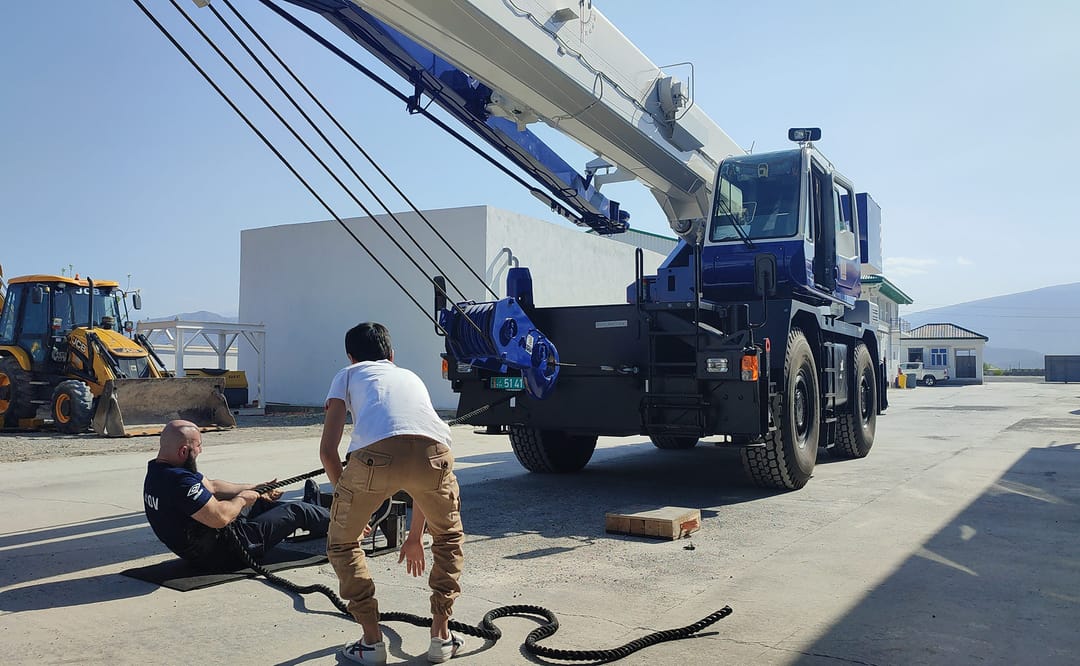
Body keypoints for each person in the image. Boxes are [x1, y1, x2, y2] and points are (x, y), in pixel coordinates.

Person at [320, 322, 464, 665]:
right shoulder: (411, 377)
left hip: (373, 458)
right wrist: (414, 538)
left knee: (342, 544)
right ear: (392, 355)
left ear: (351, 357)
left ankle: (371, 642)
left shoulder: (347, 374)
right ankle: (441, 636)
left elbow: (328, 452)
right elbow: (417, 479)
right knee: (448, 539)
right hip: (435, 455)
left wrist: (350, 505)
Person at [143, 419, 331, 570]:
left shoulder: (159, 471)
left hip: (207, 545)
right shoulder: (180, 482)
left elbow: (213, 486)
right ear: (183, 451)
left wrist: (257, 488)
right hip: (227, 553)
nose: (201, 450)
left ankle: (315, 512)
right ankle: (343, 525)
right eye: (198, 446)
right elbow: (220, 517)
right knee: (296, 510)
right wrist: (242, 499)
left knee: (259, 503)